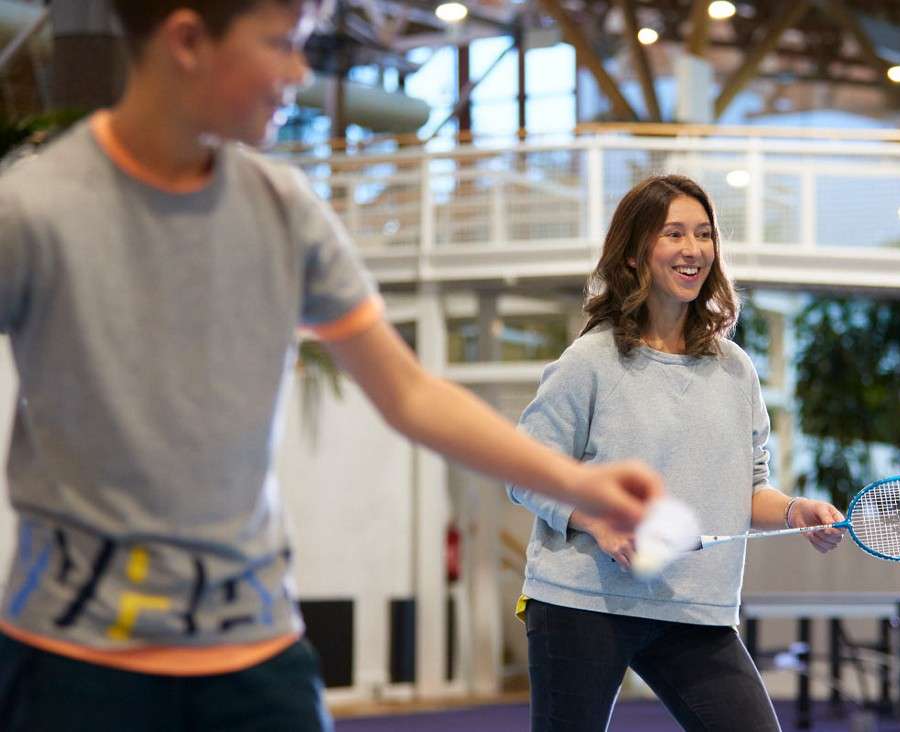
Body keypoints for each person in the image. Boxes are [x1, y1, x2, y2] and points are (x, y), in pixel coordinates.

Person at [0, 2, 662, 730]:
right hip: (73, 662)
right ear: (187, 40)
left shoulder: (285, 209)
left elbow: (409, 391)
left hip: (254, 657)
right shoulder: (35, 211)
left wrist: (577, 484)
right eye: (283, 45)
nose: (298, 73)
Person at [508, 175, 847, 731]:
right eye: (674, 234)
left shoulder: (734, 369)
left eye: (704, 235)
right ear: (637, 252)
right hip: (582, 602)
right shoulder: (589, 361)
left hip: (695, 608)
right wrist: (597, 522)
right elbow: (525, 472)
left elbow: (750, 488)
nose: (693, 250)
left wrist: (793, 511)